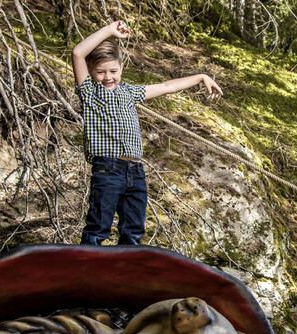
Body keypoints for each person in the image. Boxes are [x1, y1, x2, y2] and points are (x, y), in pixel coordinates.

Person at [71, 21, 223, 246]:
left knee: (133, 228)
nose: (108, 77)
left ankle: (127, 272)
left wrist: (201, 77)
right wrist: (109, 31)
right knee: (98, 226)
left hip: (135, 171)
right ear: (92, 72)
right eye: (100, 72)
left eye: (113, 71)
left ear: (121, 68)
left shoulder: (130, 92)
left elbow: (166, 86)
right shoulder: (90, 92)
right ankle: (85, 270)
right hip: (107, 170)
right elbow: (77, 52)